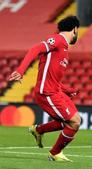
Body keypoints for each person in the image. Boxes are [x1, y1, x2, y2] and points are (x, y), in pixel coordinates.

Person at [9, 16, 81, 162]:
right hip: (46, 93)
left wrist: (67, 90)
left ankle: (38, 130)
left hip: (56, 91)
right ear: (75, 29)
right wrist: (21, 70)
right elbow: (35, 48)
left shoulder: (64, 48)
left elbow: (52, 78)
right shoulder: (58, 40)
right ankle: (54, 153)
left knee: (72, 121)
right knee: (74, 122)